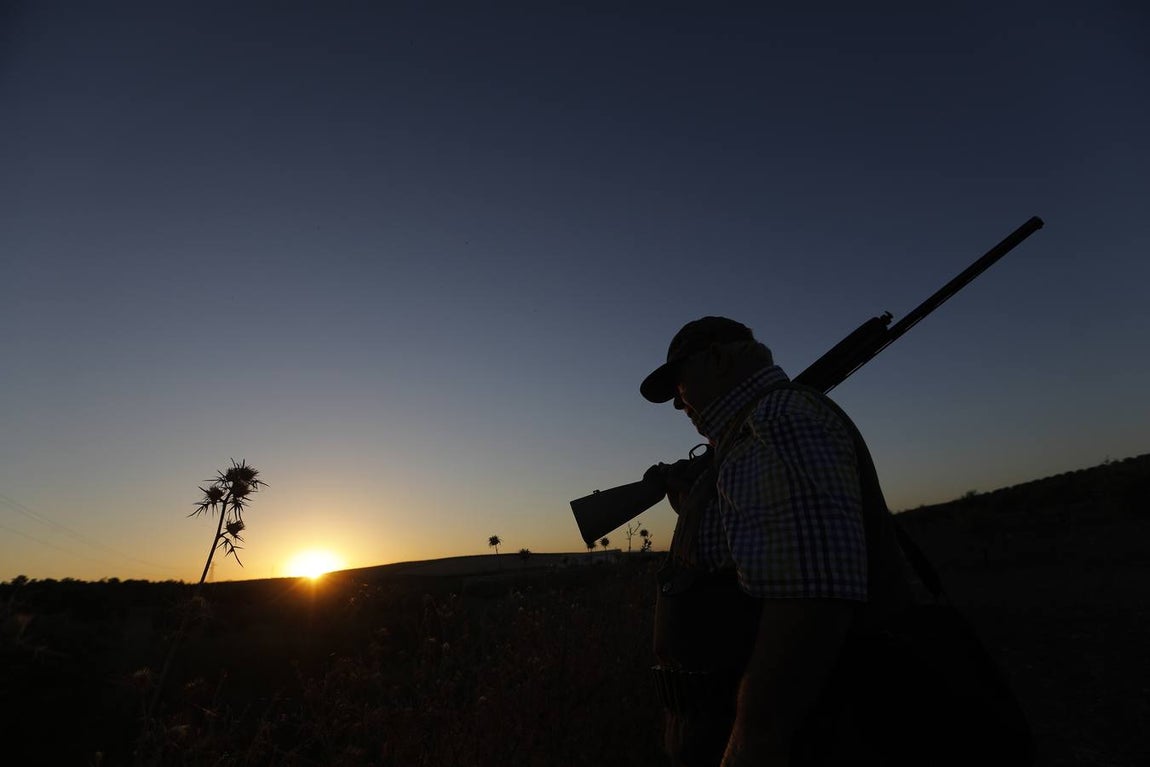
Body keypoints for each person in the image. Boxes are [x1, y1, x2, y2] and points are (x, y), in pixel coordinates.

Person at [641, 316, 931, 767]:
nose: (679, 403)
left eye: (679, 383)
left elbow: (809, 611)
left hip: (806, 739)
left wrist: (750, 745)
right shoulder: (745, 438)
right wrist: (695, 506)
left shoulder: (776, 421)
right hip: (729, 724)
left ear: (716, 359)